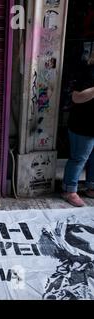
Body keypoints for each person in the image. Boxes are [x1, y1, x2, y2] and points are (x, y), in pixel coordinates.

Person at [61, 53, 94, 207]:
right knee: (79, 158)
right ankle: (69, 190)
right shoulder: (88, 72)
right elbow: (77, 97)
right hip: (83, 125)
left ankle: (91, 186)